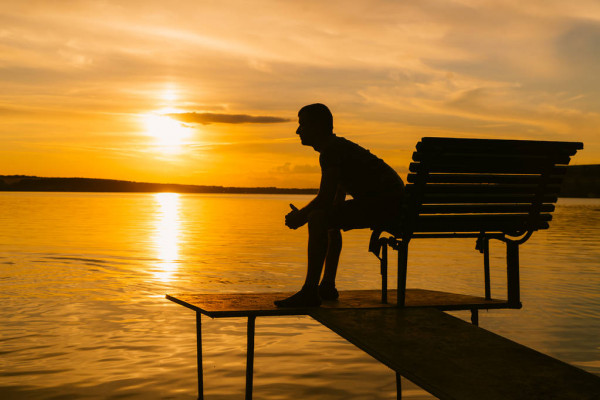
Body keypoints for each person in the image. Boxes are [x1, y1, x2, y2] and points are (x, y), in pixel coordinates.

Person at [274, 104, 404, 307]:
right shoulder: (340, 149)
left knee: (318, 219)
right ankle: (326, 285)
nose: (298, 131)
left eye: (302, 125)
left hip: (386, 206)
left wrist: (301, 216)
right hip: (394, 205)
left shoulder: (331, 152)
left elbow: (324, 199)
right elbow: (333, 202)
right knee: (327, 220)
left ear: (317, 126)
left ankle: (310, 291)